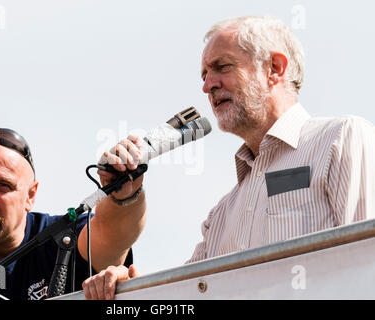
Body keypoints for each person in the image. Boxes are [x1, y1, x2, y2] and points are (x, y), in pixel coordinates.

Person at [81, 15, 375, 300]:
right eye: (205, 75)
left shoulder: (342, 139)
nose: (207, 85)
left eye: (221, 67)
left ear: (274, 68)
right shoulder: (221, 216)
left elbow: (368, 261)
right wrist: (126, 289)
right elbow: (180, 298)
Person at [0, 125, 146, 300]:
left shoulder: (59, 238)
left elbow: (114, 233)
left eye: (2, 185)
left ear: (30, 196)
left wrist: (124, 193)